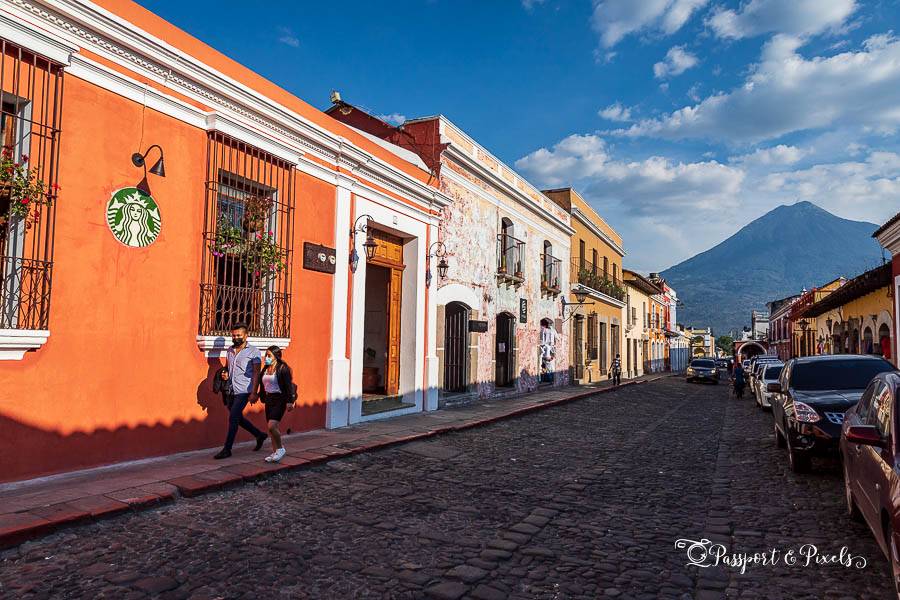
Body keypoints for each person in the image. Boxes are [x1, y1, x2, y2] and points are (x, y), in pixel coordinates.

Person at [214, 323, 267, 459]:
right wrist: (224, 374)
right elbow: (228, 367)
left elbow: (256, 373)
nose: (235, 337)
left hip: (245, 390)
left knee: (233, 418)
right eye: (233, 335)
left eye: (238, 335)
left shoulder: (253, 352)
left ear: (245, 336)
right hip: (231, 390)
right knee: (237, 417)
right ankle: (259, 435)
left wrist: (254, 392)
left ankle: (227, 449)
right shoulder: (230, 351)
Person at [257, 346, 295, 462]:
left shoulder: (283, 369)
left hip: (280, 399)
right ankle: (274, 452)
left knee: (272, 426)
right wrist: (258, 396)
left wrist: (289, 401)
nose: (266, 358)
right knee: (272, 429)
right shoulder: (265, 369)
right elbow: (262, 385)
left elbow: (288, 386)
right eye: (266, 355)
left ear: (276, 357)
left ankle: (280, 449)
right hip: (269, 399)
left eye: (269, 356)